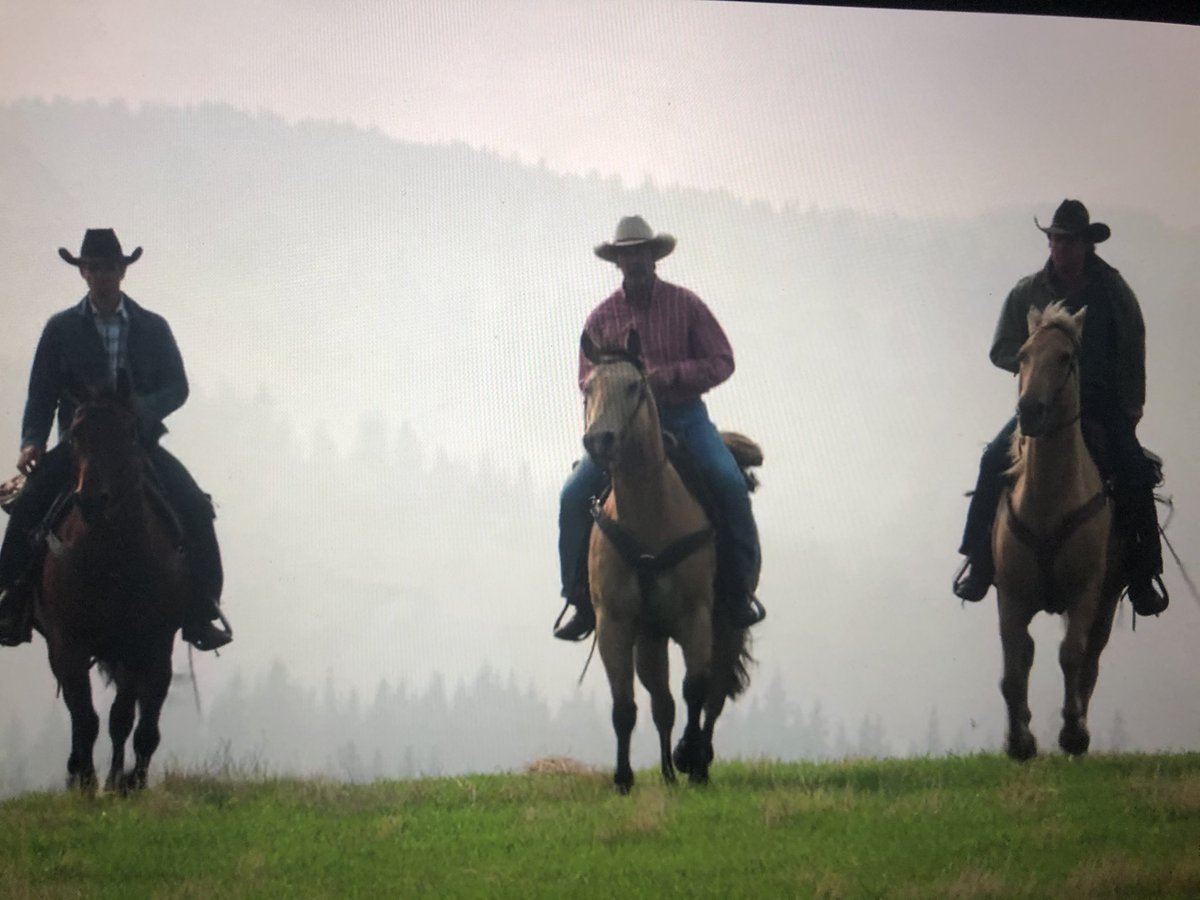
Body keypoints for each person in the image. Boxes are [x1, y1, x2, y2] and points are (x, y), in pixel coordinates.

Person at [0, 229, 233, 650]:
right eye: (93, 268)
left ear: (122, 271)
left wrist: (139, 412)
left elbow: (176, 386)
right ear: (83, 273)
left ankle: (201, 610)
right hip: (79, 449)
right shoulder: (61, 329)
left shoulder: (152, 327)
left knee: (195, 507)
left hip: (137, 446)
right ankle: (9, 602)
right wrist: (31, 442)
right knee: (29, 507)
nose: (101, 275)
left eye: (109, 267)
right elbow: (41, 393)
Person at [553, 215, 766, 641]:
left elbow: (721, 359)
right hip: (623, 430)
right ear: (617, 261)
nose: (633, 260)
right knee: (573, 495)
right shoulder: (601, 318)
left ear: (654, 256)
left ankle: (740, 589)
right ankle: (580, 598)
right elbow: (585, 378)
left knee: (728, 483)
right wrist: (614, 392)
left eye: (640, 252)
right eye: (626, 253)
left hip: (683, 417)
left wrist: (668, 376)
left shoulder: (686, 305)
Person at [953, 199, 1168, 617]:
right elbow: (1000, 348)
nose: (1061, 248)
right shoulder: (1027, 291)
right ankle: (979, 560)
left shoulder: (1113, 290)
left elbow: (1132, 349)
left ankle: (1144, 574)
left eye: (1069, 241)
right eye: (1055, 240)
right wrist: (1035, 359)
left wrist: (1131, 408)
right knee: (992, 458)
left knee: (1135, 472)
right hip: (1041, 403)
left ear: (1087, 244)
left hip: (1101, 405)